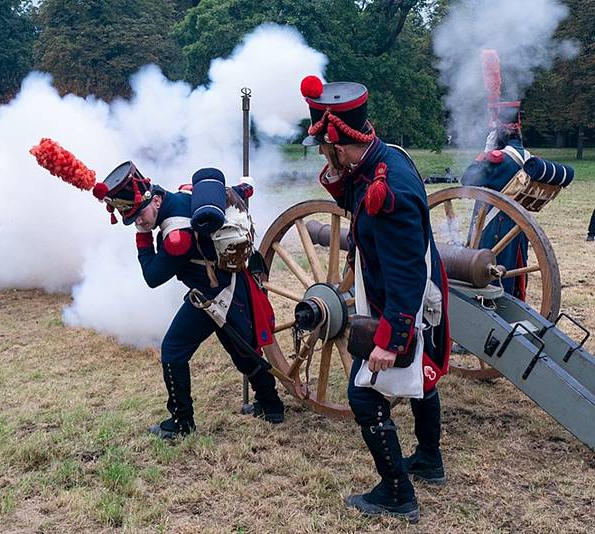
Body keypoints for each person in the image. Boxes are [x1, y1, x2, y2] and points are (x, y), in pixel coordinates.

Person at [299, 75, 452, 523]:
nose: (327, 157)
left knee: (364, 396)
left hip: (404, 300)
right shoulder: (384, 158)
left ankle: (397, 494)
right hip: (412, 290)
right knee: (424, 382)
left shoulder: (391, 194)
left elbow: (405, 272)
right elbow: (356, 192)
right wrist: (334, 174)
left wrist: (391, 339)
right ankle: (429, 460)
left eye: (327, 150)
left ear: (339, 144)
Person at [90, 162, 285, 439]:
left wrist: (143, 238)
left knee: (173, 350)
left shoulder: (176, 237)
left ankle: (181, 423)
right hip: (229, 285)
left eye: (139, 215)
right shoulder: (180, 196)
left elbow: (153, 277)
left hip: (213, 294)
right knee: (243, 351)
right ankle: (272, 406)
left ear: (156, 199)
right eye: (131, 219)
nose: (139, 222)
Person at [460, 101, 530, 299]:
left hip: (494, 229)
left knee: (491, 276)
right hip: (517, 228)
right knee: (511, 272)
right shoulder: (527, 157)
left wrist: (483, 154)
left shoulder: (499, 159)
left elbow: (468, 179)